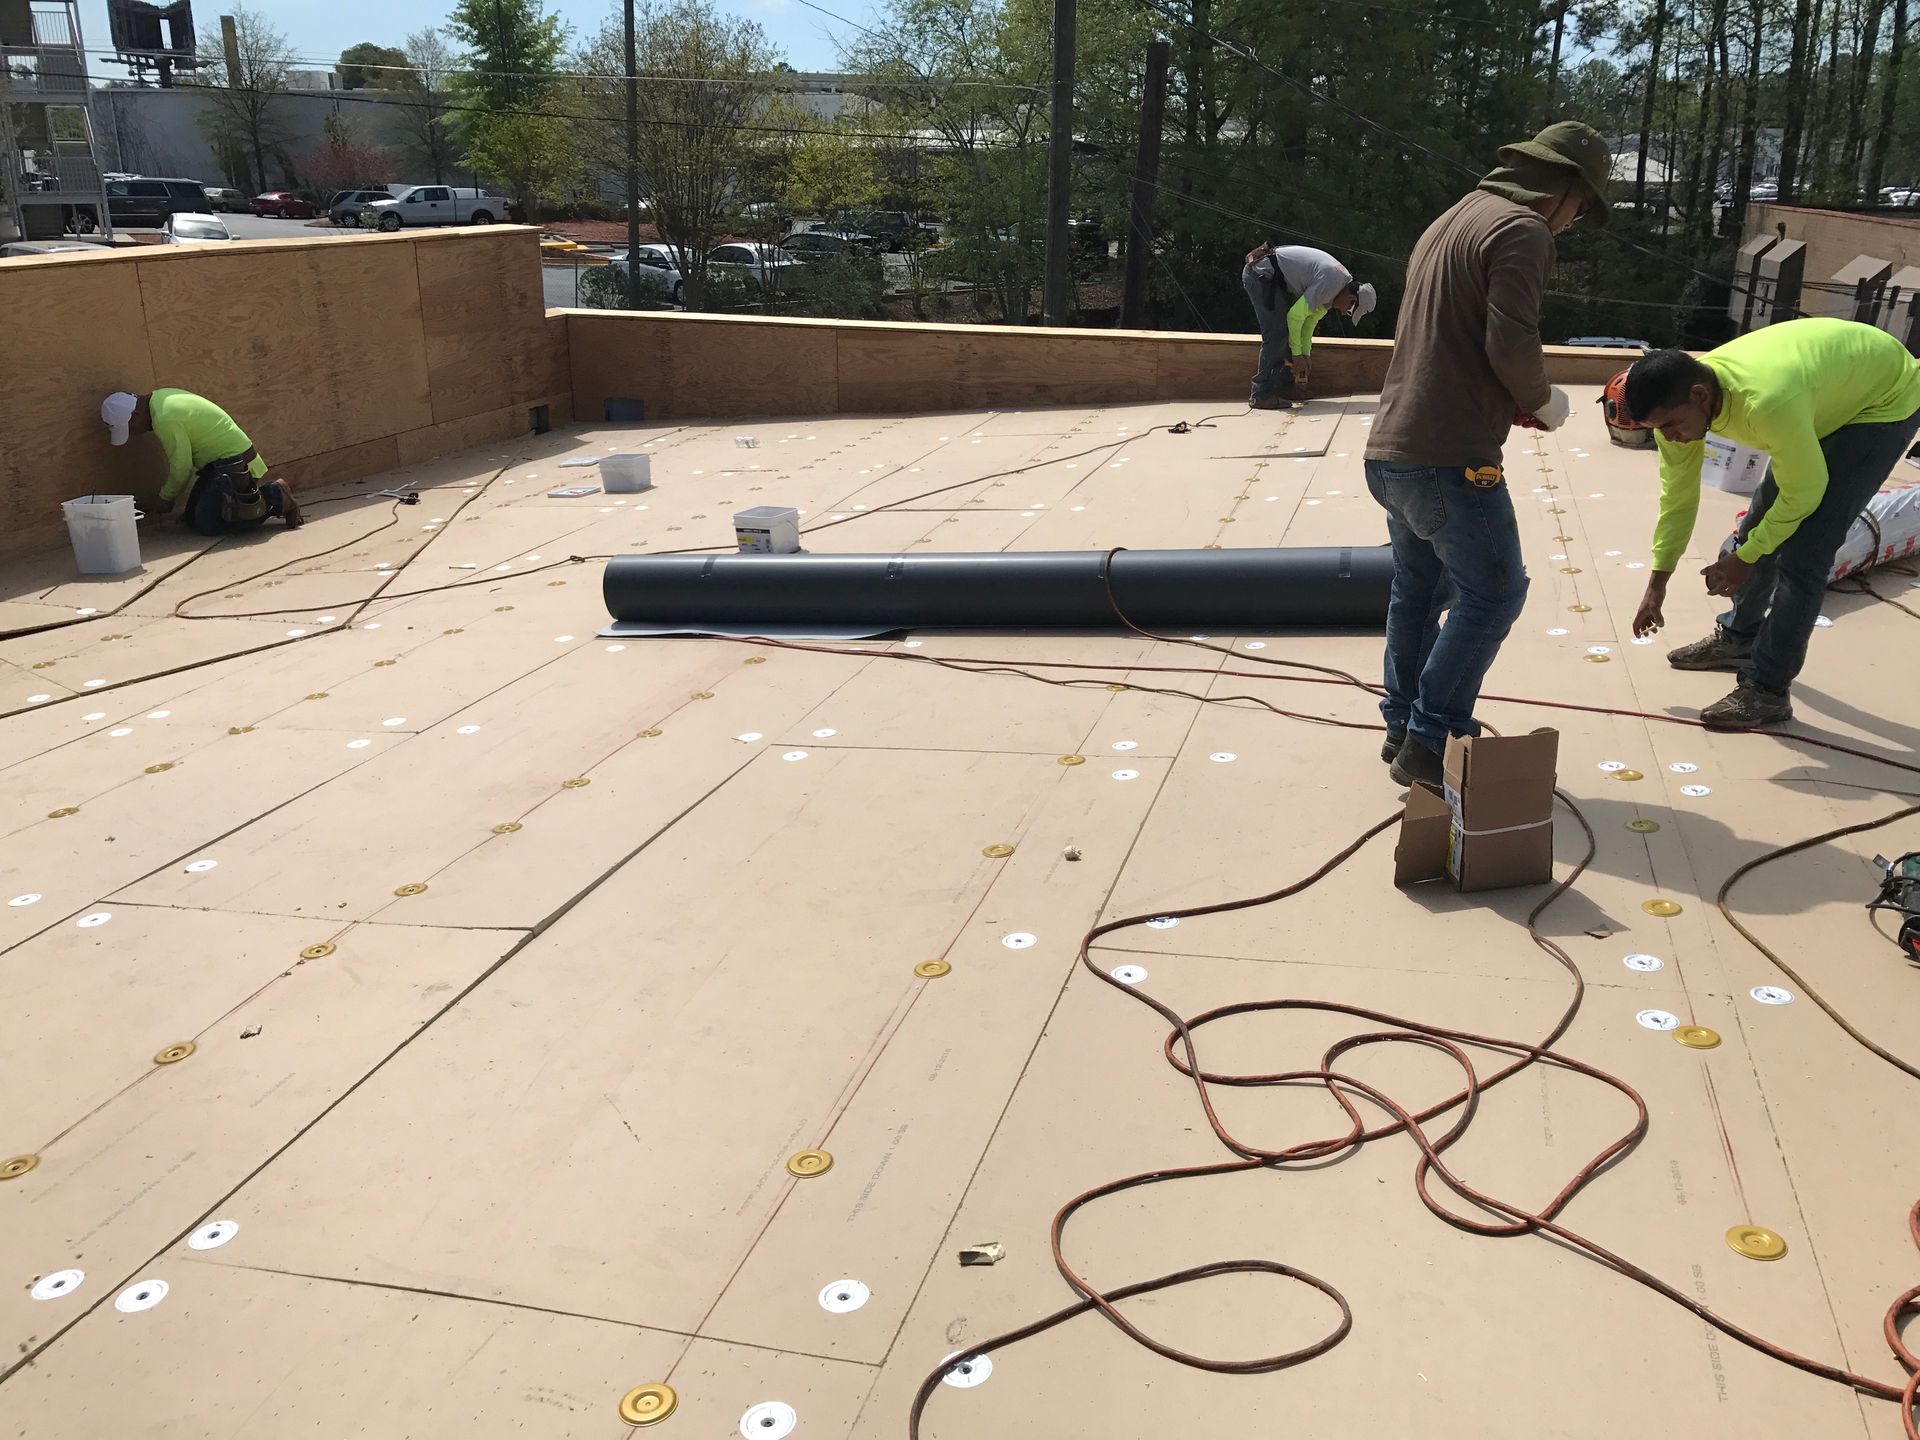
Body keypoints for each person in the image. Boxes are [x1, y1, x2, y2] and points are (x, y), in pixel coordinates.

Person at [1364, 120, 1611, 789]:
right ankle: (1431, 736)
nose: (1572, 222)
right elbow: (1510, 342)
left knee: (1417, 591)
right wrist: (1545, 399)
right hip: (1450, 457)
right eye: (1581, 207)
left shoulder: (1455, 217)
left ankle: (1401, 727)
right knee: (1495, 593)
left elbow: (1454, 340)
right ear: (1563, 189)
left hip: (1392, 451)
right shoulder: (1522, 230)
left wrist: (1507, 398)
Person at [1623, 318, 1920, 728]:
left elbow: (1806, 491)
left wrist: (1746, 557)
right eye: (1660, 430)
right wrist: (1657, 584)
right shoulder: (1680, 410)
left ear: (1699, 394)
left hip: (1884, 397)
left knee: (1804, 556)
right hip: (1826, 389)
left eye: (1671, 425)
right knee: (1759, 528)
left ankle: (1767, 691)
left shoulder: (1765, 403)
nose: (1669, 437)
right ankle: (1739, 639)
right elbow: (1677, 499)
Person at [101, 389, 303, 534]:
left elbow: (182, 467)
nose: (135, 434)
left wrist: (165, 498)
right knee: (191, 519)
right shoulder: (161, 397)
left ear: (136, 415)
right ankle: (248, 499)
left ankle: (276, 497)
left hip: (235, 466)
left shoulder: (165, 419)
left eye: (130, 428)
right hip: (219, 467)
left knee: (208, 524)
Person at [1241, 243, 1376, 409]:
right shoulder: (1331, 283)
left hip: (1270, 277)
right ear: (1352, 299)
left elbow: (1309, 322)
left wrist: (1305, 355)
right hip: (1259, 274)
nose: (1343, 313)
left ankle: (1285, 387)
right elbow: (1295, 317)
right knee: (1277, 334)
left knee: (1288, 333)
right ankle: (1260, 394)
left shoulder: (1335, 291)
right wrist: (1297, 356)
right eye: (1349, 311)